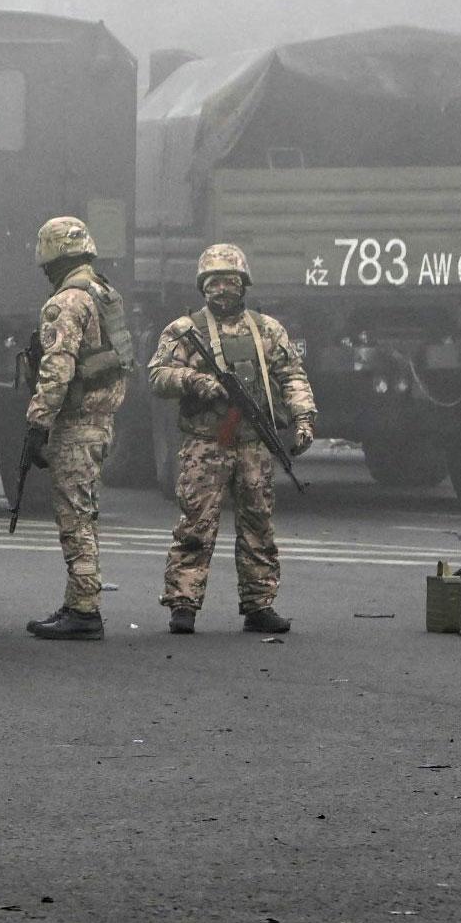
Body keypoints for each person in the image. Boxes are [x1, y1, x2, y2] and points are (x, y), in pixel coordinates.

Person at [145, 244, 315, 635]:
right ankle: (183, 604)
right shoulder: (185, 330)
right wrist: (197, 381)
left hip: (254, 443)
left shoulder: (267, 330)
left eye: (231, 281)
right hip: (206, 443)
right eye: (215, 282)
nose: (223, 289)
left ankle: (259, 604)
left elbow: (292, 375)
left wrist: (303, 419)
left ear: (244, 284)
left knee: (258, 526)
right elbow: (157, 375)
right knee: (195, 525)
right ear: (203, 287)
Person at [22, 216, 133, 641]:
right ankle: (78, 602)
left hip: (76, 421)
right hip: (101, 420)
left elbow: (57, 366)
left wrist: (38, 421)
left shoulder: (67, 302)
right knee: (85, 509)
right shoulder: (105, 293)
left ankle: (84, 610)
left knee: (75, 516)